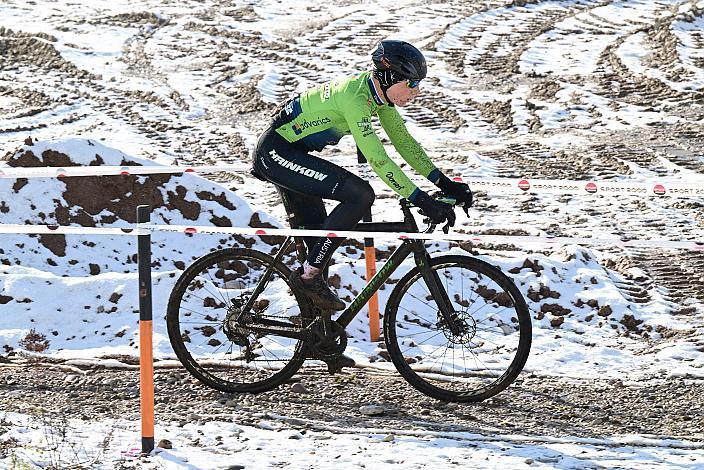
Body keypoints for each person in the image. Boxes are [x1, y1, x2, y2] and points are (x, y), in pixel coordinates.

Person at [252, 40, 473, 312]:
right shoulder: (355, 100)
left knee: (321, 245)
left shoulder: (378, 97)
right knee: (360, 195)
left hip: (294, 154)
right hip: (276, 153)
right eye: (411, 84)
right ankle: (307, 277)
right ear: (389, 77)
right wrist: (421, 200)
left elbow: (404, 143)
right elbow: (379, 159)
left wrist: (444, 183)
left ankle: (316, 337)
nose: (416, 92)